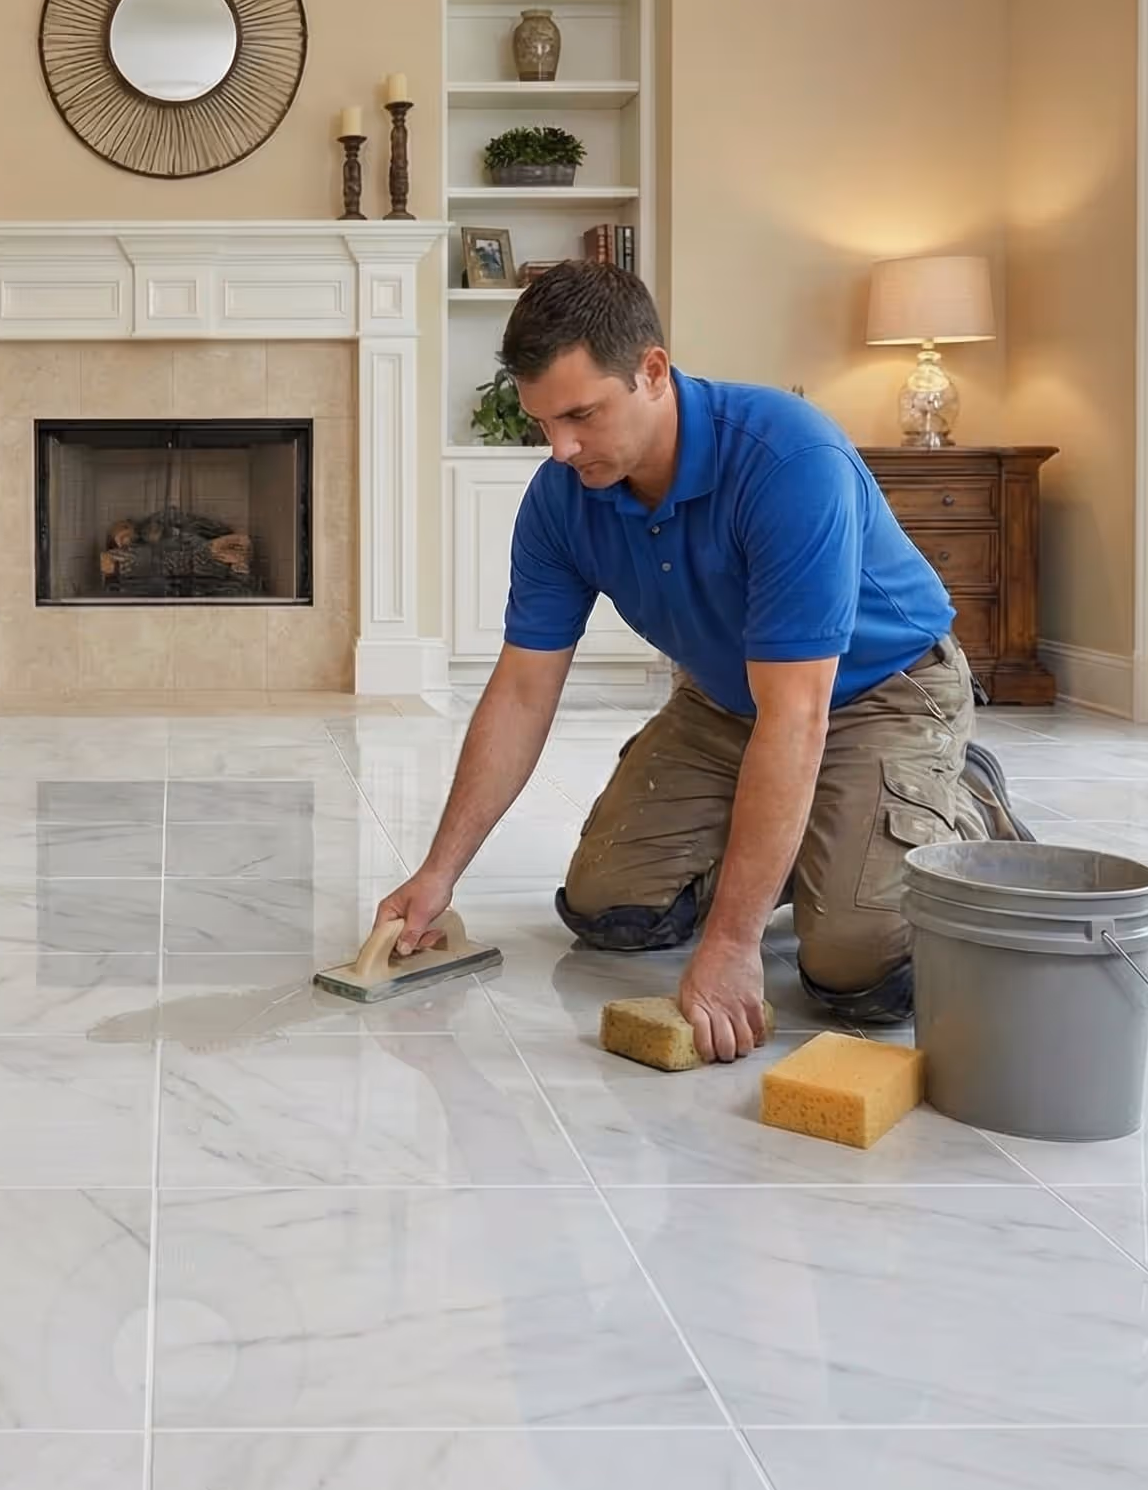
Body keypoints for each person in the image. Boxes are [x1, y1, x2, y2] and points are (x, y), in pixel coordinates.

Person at [380, 263, 1029, 1062]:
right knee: (610, 910)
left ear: (653, 371)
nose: (559, 448)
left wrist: (731, 944)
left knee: (860, 972)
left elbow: (798, 711)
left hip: (879, 694)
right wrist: (439, 874)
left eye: (581, 415)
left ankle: (953, 798)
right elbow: (520, 693)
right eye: (542, 422)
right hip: (727, 701)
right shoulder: (562, 497)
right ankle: (823, 837)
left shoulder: (790, 461)